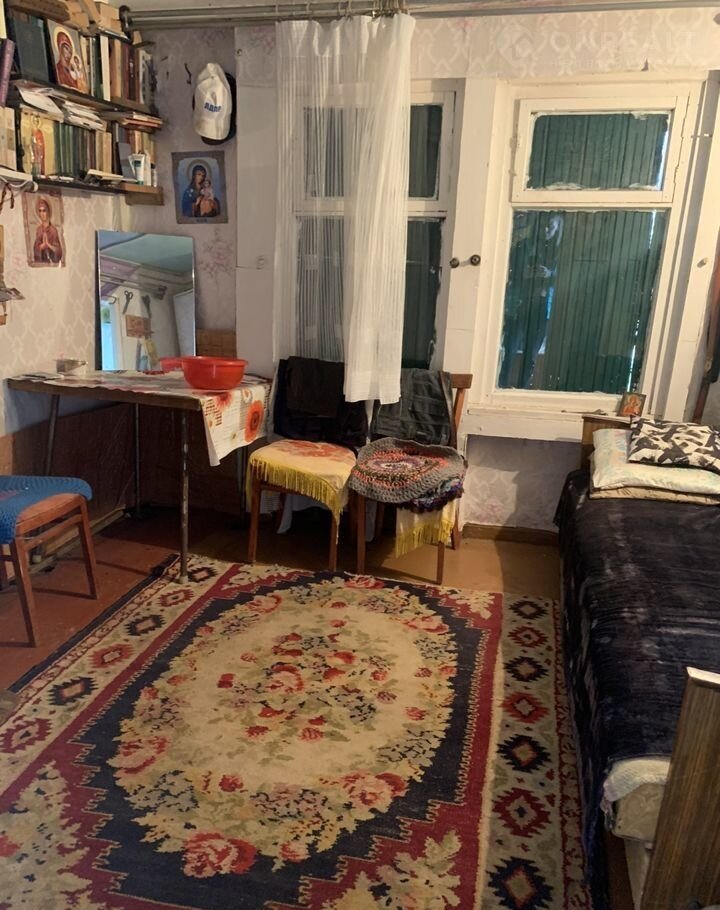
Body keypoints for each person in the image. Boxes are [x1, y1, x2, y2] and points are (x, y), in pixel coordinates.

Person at [32, 197, 63, 265]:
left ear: (48, 212)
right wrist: (41, 247)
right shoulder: (39, 230)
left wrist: (49, 245)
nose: (42, 214)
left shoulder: (53, 230)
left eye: (44, 211)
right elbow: (35, 249)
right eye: (40, 211)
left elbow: (59, 251)